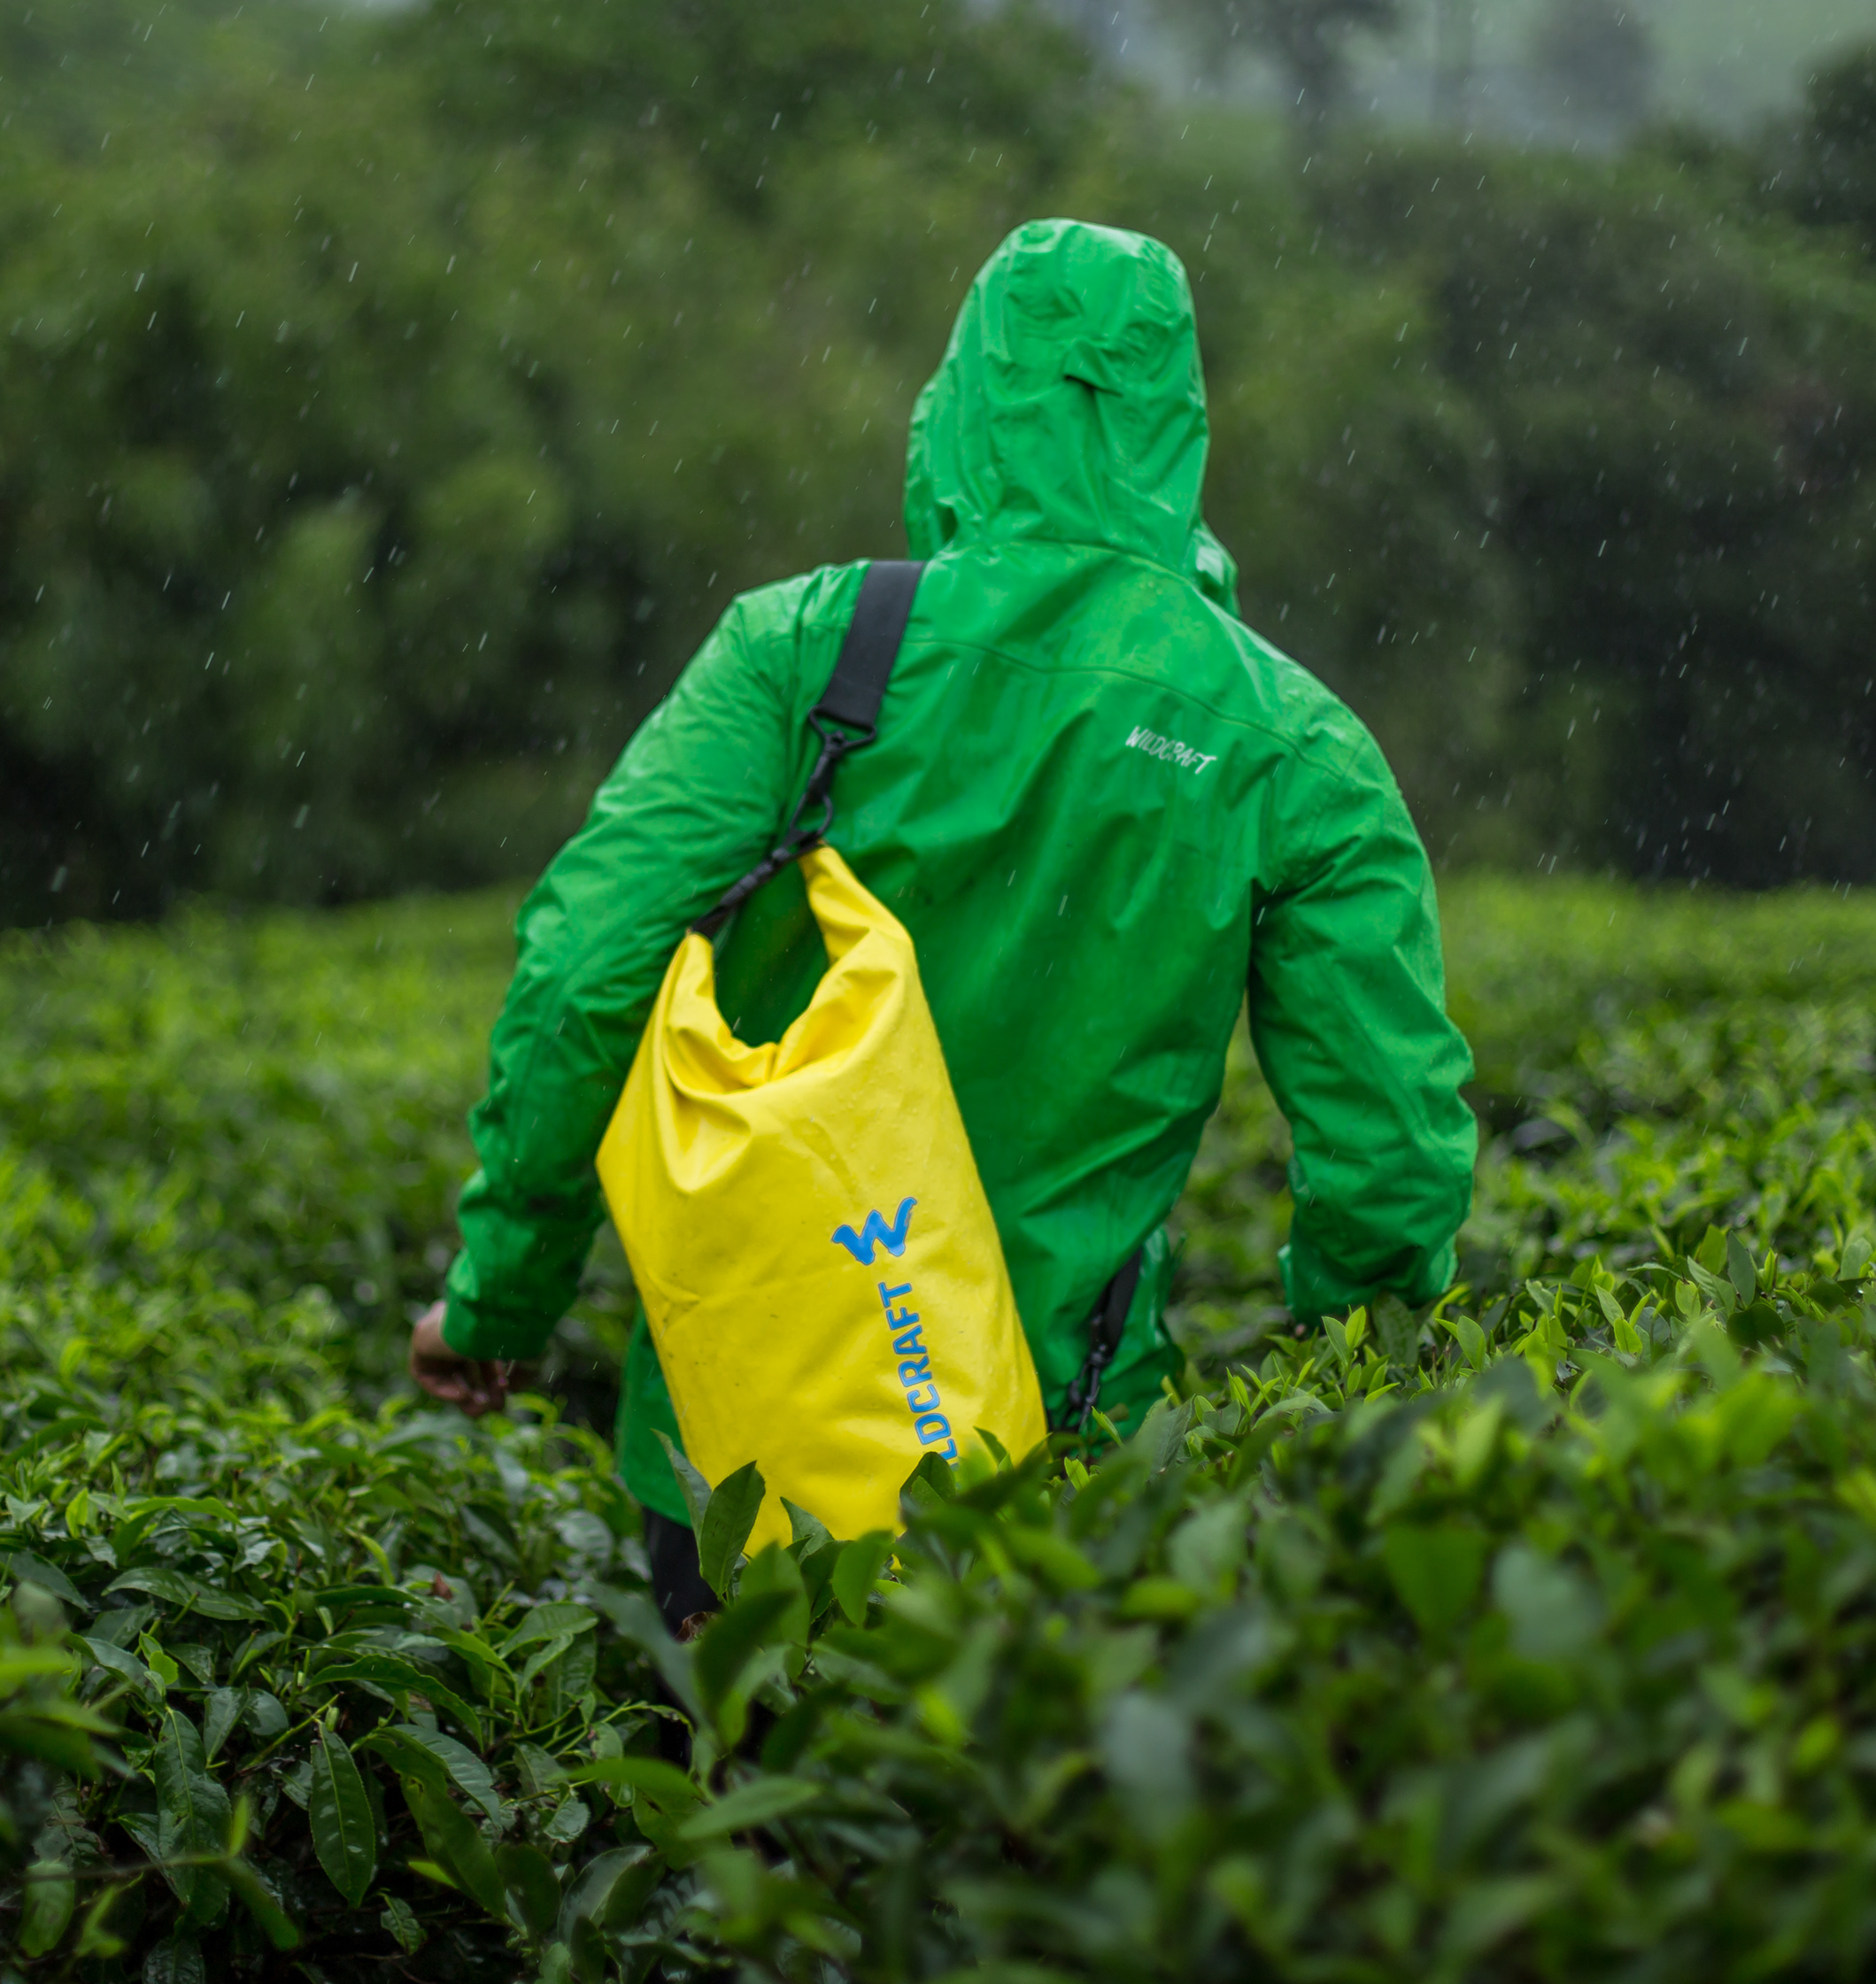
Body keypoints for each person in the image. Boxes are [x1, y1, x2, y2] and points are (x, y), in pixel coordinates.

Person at [410, 218, 1478, 1629]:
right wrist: (1346, 1400)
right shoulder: (1292, 744)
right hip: (1060, 1442)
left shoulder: (804, 649)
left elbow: (580, 981)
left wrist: (501, 1296)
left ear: (963, 405)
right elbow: (1389, 1147)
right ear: (1178, 429)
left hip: (745, 1439)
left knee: (743, 1760)